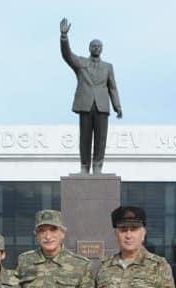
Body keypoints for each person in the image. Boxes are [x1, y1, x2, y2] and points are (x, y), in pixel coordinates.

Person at [59, 17, 123, 174]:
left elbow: (113, 87)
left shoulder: (108, 67)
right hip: (85, 104)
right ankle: (84, 167)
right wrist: (64, 37)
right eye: (93, 46)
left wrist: (118, 106)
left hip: (101, 106)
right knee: (85, 139)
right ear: (89, 48)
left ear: (102, 49)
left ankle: (98, 167)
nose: (96, 48)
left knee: (101, 139)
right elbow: (67, 55)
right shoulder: (81, 63)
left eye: (98, 46)